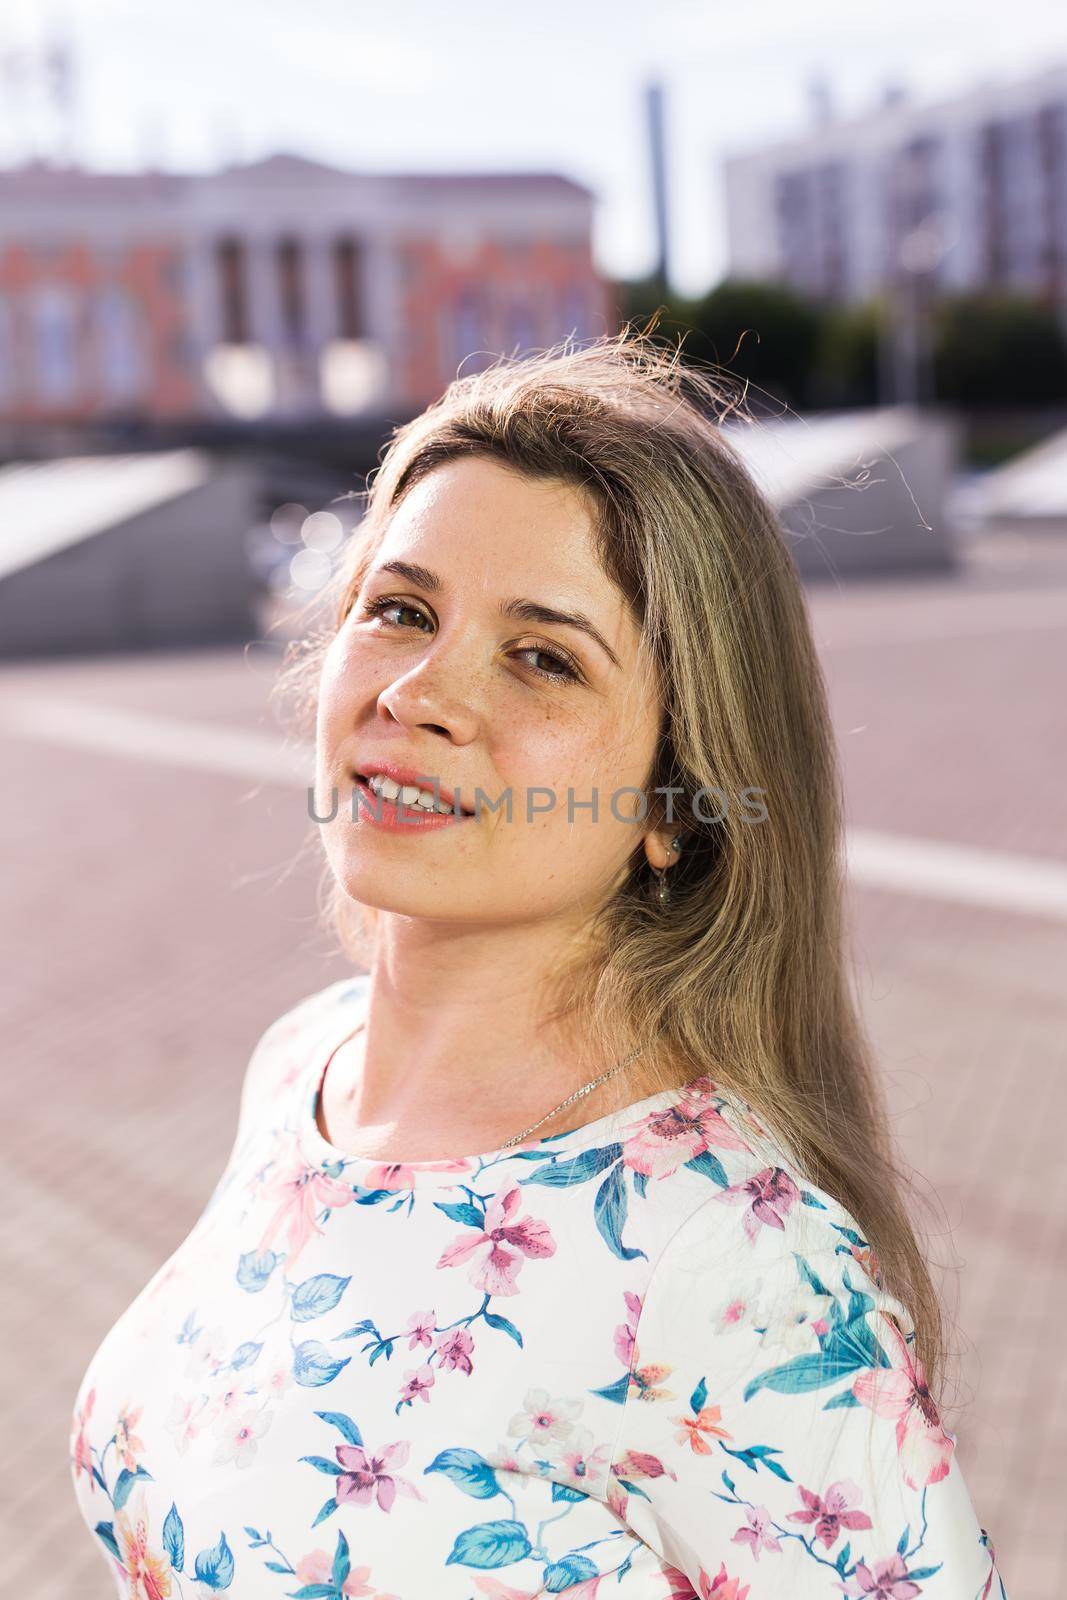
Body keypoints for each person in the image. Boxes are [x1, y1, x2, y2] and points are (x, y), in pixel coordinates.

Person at [69, 331, 1008, 1598]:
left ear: (675, 799)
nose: (418, 690)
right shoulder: (303, 1061)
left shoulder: (731, 1262)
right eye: (399, 609)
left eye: (542, 656)